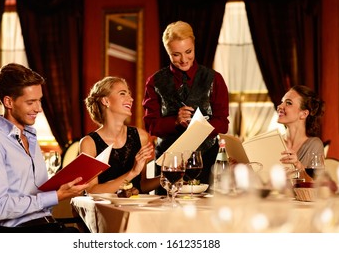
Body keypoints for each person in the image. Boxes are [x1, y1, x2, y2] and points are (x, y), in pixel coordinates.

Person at [0, 63, 88, 233]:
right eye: (31, 102)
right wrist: (55, 196)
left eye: (39, 100)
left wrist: (66, 187)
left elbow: (35, 192)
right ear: (8, 102)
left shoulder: (31, 138)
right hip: (19, 233)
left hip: (46, 224)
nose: (39, 109)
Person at [142, 20, 230, 188]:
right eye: (176, 54)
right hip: (168, 162)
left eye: (188, 52)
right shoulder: (154, 82)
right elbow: (151, 125)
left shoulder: (215, 79)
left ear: (194, 45)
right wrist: (174, 121)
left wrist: (199, 127)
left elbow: (223, 123)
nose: (183, 59)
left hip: (207, 161)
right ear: (168, 52)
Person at [79, 76, 160, 194]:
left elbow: (142, 185)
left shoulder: (141, 136)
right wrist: (132, 172)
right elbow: (92, 191)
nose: (131, 99)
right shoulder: (89, 143)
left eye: (129, 94)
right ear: (105, 101)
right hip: (105, 211)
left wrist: (168, 176)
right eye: (123, 93)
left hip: (134, 208)